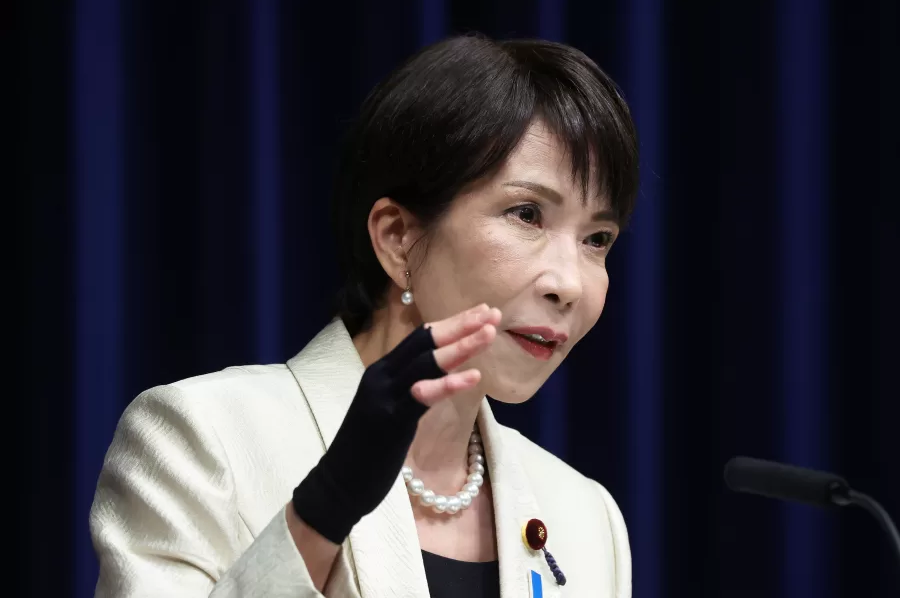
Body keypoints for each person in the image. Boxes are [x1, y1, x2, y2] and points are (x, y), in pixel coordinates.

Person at [89, 33, 639, 598]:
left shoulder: (584, 517)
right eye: (527, 214)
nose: (570, 284)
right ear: (398, 238)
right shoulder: (205, 438)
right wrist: (323, 511)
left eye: (597, 238)